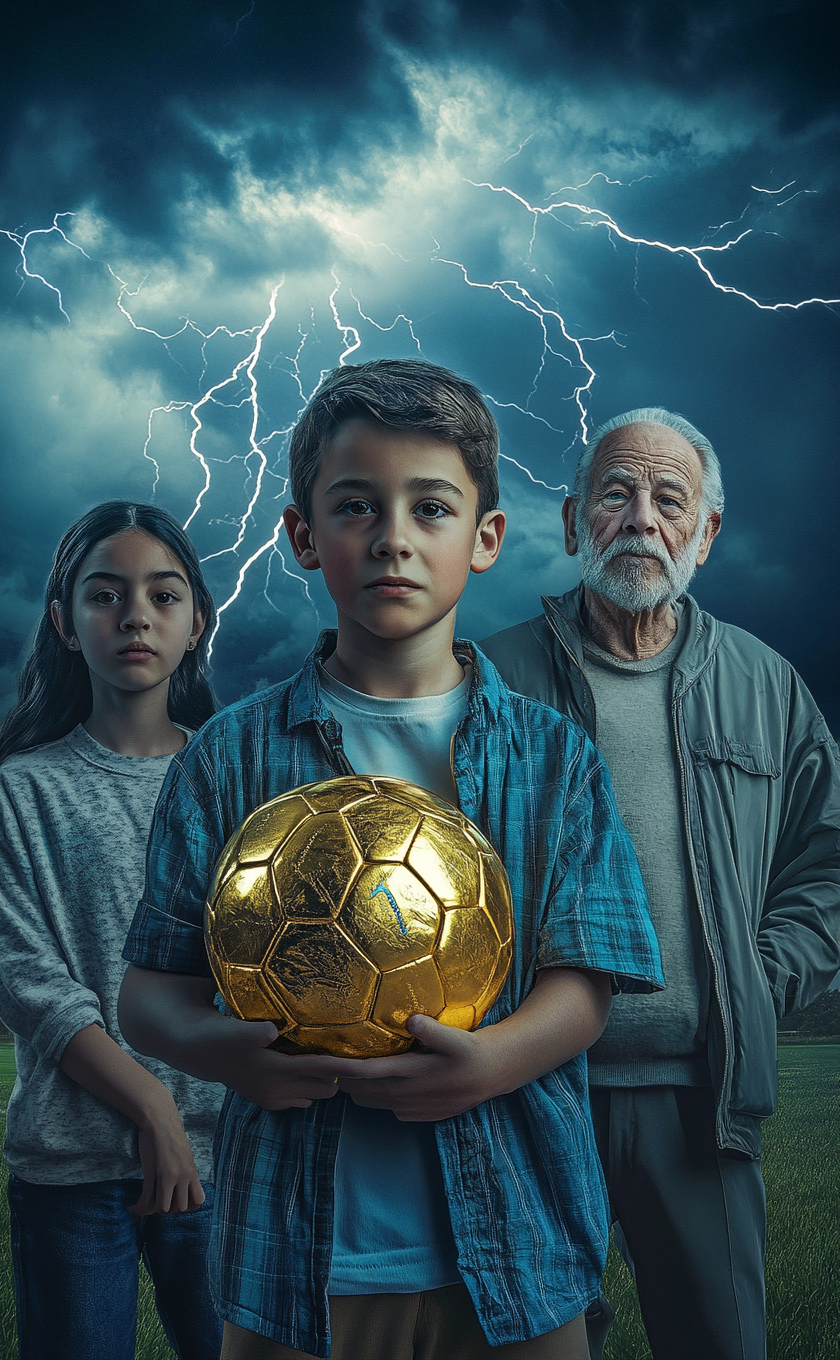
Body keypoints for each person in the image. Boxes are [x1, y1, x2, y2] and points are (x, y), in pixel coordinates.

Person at [118, 359, 665, 1360]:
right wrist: (219, 1049)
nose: (391, 539)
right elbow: (147, 994)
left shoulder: (553, 757)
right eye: (355, 506)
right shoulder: (227, 755)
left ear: (485, 538)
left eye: (430, 508)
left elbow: (585, 980)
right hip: (291, 1266)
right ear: (300, 534)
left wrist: (491, 1061)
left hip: (517, 1254)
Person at [480, 408, 840, 1360]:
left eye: (669, 499)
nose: (641, 516)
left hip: (703, 1104)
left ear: (706, 534)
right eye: (615, 493)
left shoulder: (768, 686)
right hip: (532, 1099)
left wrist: (760, 981)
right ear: (571, 523)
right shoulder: (491, 681)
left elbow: (829, 862)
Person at [0, 501, 226, 1360]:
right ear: (66, 624)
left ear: (197, 623)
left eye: (163, 594)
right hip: (72, 1167)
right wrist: (150, 1104)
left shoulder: (233, 784)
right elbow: (26, 980)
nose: (135, 616)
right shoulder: (25, 789)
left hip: (223, 1158)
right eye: (105, 595)